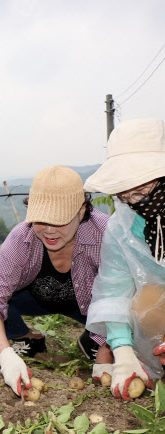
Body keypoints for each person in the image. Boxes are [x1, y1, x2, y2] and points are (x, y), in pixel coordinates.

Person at [0, 165, 110, 397]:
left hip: (89, 304)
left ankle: (94, 338)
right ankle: (25, 338)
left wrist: (108, 348)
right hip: (34, 297)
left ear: (81, 210)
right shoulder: (21, 238)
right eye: (40, 219)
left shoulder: (103, 233)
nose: (49, 230)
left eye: (59, 221)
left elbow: (123, 295)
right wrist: (4, 356)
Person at [84, 118, 165, 400]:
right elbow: (113, 288)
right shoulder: (122, 226)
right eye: (125, 194)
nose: (134, 201)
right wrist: (121, 348)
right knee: (146, 299)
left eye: (142, 192)